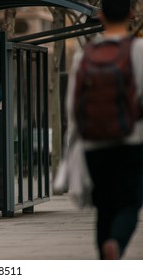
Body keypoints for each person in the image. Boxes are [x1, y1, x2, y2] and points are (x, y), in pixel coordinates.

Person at [66, 0, 143, 259]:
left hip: (94, 144)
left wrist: (75, 143)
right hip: (131, 140)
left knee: (104, 207)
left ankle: (105, 261)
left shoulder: (84, 54)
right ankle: (117, 244)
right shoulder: (139, 49)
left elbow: (72, 105)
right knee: (129, 203)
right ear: (132, 15)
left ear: (100, 16)